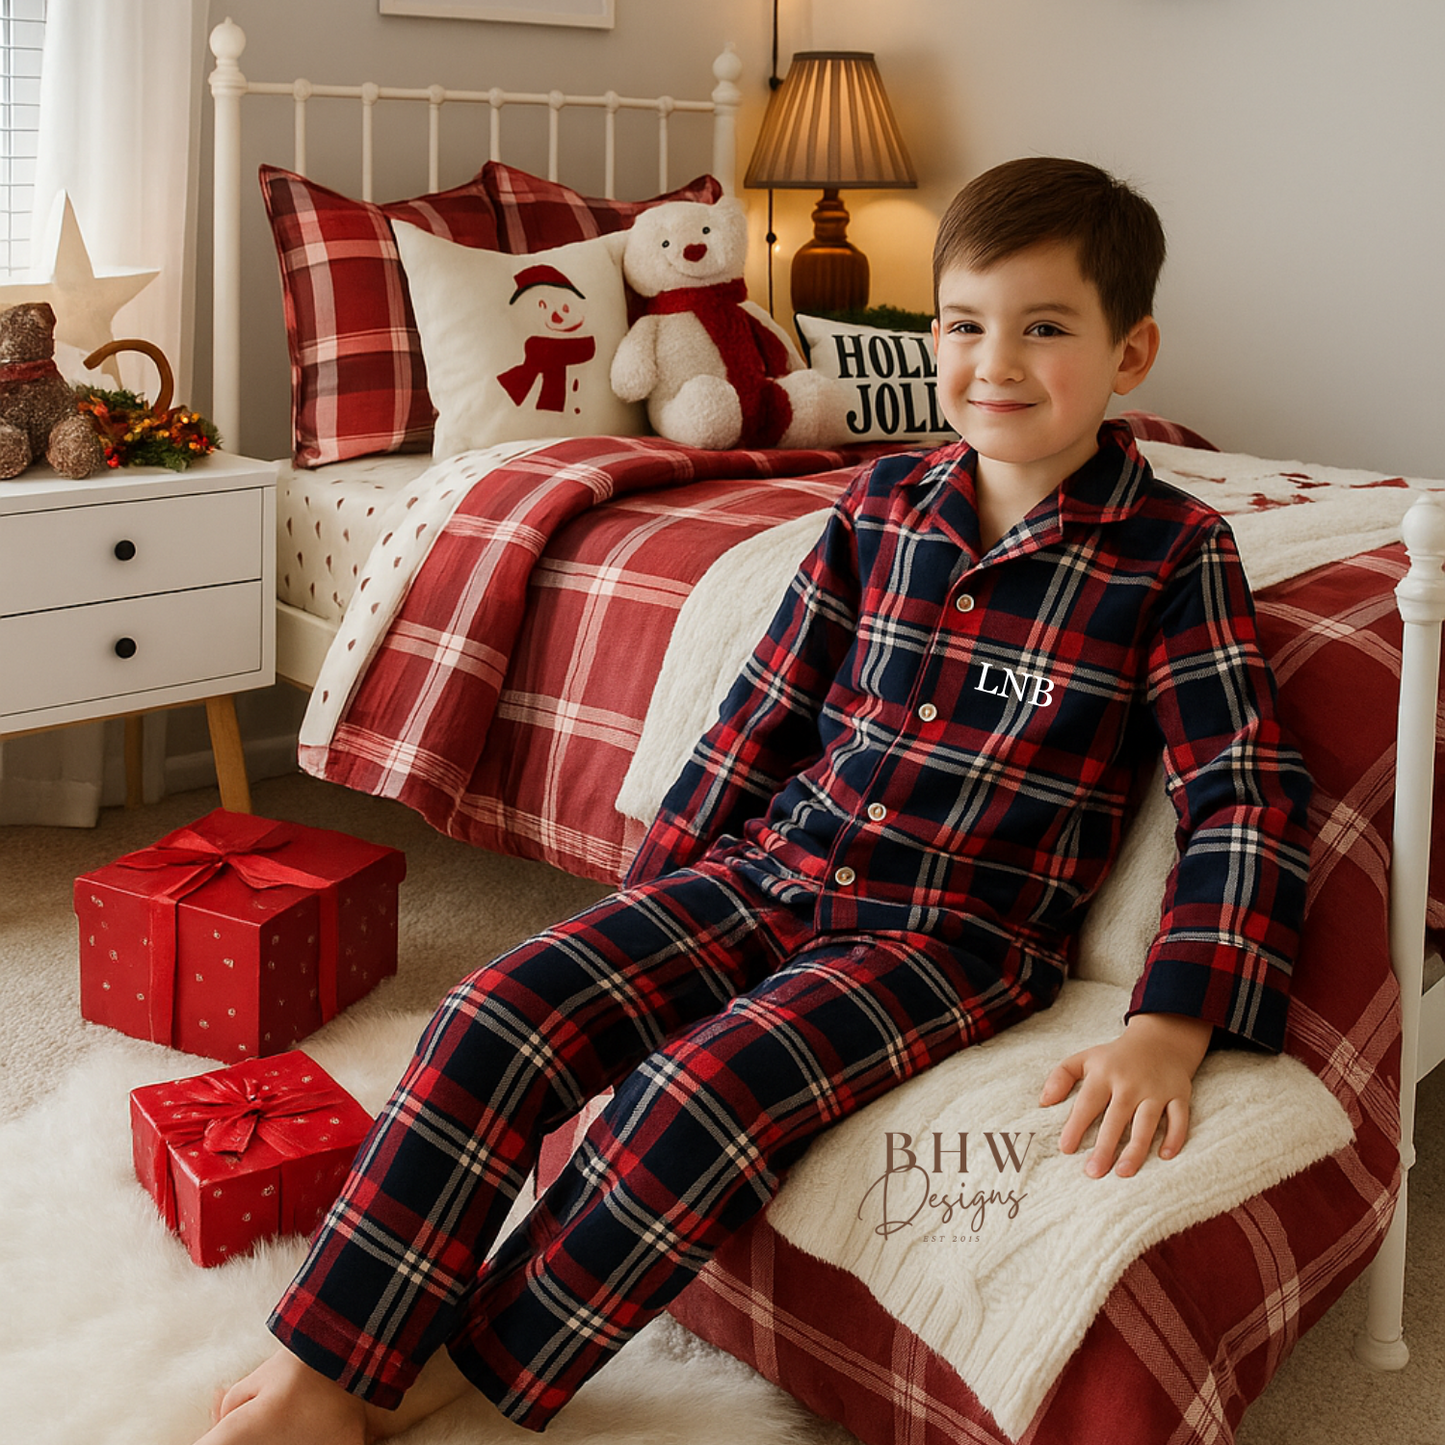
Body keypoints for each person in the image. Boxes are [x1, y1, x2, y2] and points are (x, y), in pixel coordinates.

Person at [197, 157, 1313, 1444]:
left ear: (1130, 352)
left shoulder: (1172, 555)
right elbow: (764, 710)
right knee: (489, 1013)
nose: (993, 362)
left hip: (944, 937)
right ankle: (326, 1367)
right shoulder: (880, 499)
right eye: (962, 325)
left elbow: (1241, 792)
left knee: (691, 1102)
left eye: (1043, 328)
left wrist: (1172, 1019)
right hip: (770, 864)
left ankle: (479, 1369)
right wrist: (656, 887)